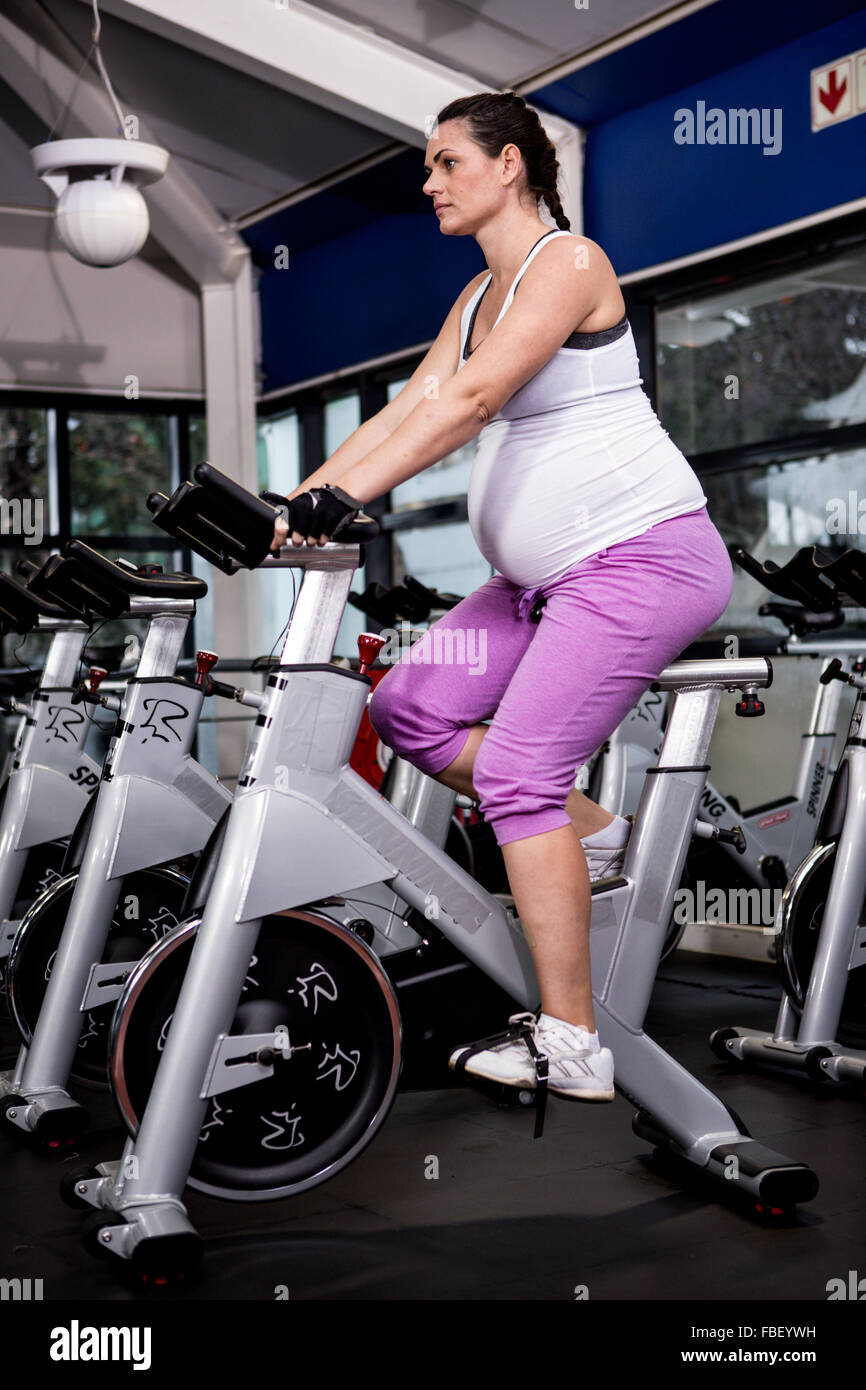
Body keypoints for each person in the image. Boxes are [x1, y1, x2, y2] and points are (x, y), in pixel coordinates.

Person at [270, 91, 734, 1108]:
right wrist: (297, 499)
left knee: (516, 773)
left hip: (638, 559)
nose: (428, 182)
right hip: (531, 584)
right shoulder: (474, 297)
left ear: (511, 163)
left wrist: (342, 498)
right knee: (405, 709)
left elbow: (475, 401)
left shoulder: (567, 264)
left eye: (444, 162)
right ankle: (587, 829)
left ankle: (571, 1039)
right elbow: (418, 403)